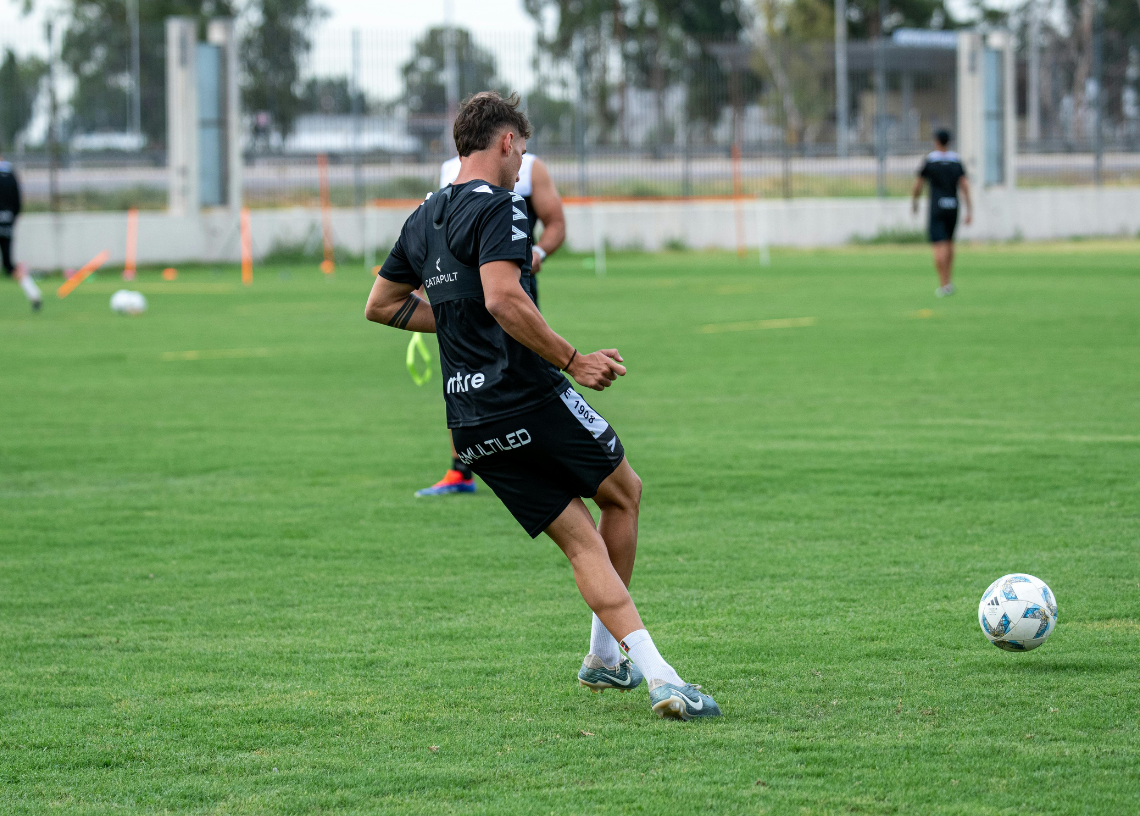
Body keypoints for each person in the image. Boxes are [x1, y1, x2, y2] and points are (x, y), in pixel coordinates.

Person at [365, 91, 719, 720]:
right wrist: (573, 359)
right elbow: (504, 298)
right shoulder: (502, 205)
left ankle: (608, 661)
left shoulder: (423, 215)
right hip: (528, 396)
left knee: (583, 542)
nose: (522, 162)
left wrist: (455, 318)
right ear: (507, 142)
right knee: (624, 493)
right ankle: (658, 677)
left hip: (469, 421)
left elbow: (381, 304)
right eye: (522, 149)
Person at [417, 143, 566, 496]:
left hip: (512, 290)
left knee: (527, 370)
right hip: (462, 295)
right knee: (460, 375)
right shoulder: (448, 170)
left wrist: (539, 252)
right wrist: (427, 283)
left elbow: (556, 223)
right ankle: (460, 471)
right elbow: (439, 236)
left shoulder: (529, 167)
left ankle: (549, 456)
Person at [911, 129, 972, 297]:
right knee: (949, 243)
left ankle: (943, 283)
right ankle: (949, 282)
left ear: (936, 141)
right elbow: (964, 185)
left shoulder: (931, 161)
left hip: (937, 207)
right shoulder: (956, 161)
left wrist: (914, 202)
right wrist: (969, 209)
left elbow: (918, 184)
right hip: (953, 205)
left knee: (939, 245)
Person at [0, 156, 41, 311]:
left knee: (9, 264)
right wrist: (12, 217)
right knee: (9, 264)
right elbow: (17, 200)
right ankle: (33, 293)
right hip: (8, 221)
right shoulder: (11, 175)